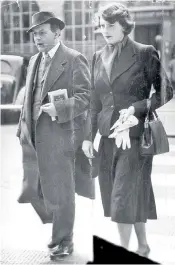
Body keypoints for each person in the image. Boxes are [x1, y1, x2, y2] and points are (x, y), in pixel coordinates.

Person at [82, 3, 173, 258]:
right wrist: (88, 138)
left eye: (111, 25)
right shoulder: (98, 56)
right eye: (102, 25)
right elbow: (93, 102)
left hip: (135, 139)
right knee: (121, 197)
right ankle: (142, 245)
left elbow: (166, 91)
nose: (105, 30)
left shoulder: (145, 53)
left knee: (122, 199)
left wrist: (137, 108)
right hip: (109, 139)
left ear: (125, 26)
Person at [16, 11, 94, 261]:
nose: (37, 38)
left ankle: (64, 240)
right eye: (35, 34)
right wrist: (21, 130)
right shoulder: (34, 60)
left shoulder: (73, 59)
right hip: (34, 138)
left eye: (42, 33)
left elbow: (85, 98)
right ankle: (59, 232)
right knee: (35, 188)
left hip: (61, 139)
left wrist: (59, 108)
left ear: (57, 32)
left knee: (62, 190)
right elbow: (29, 98)